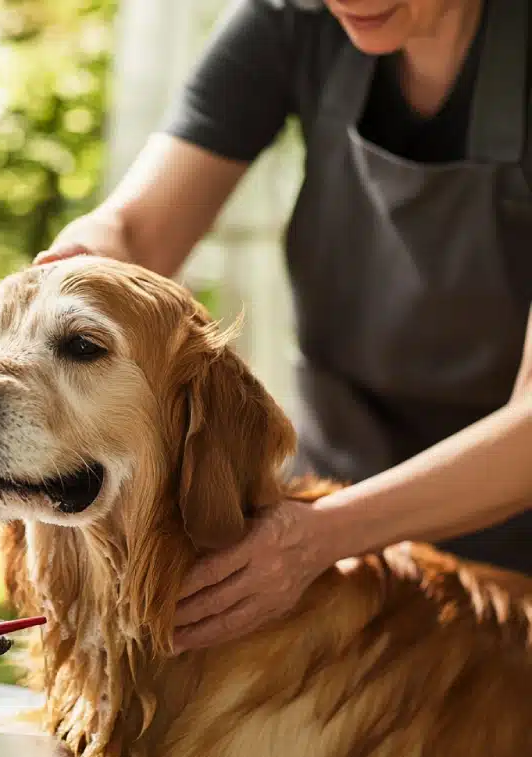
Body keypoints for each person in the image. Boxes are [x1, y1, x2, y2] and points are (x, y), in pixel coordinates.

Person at [34, 0, 532, 645]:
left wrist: (325, 535)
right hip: (340, 515)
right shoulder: (290, 20)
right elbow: (135, 231)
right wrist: (69, 273)